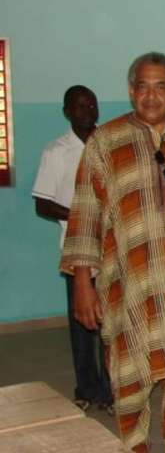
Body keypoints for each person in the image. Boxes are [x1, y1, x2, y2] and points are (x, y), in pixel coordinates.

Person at [61, 52, 165, 453]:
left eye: (160, 87)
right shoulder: (105, 142)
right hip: (127, 287)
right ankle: (134, 446)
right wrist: (82, 284)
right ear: (130, 91)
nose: (150, 95)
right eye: (142, 86)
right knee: (128, 382)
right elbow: (85, 212)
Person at [32, 85, 113, 413]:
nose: (87, 110)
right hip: (76, 250)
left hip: (109, 248)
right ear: (67, 111)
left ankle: (110, 391)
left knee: (110, 322)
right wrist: (80, 215)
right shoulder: (56, 151)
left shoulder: (110, 144)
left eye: (92, 103)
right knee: (82, 323)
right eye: (79, 106)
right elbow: (42, 204)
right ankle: (86, 387)